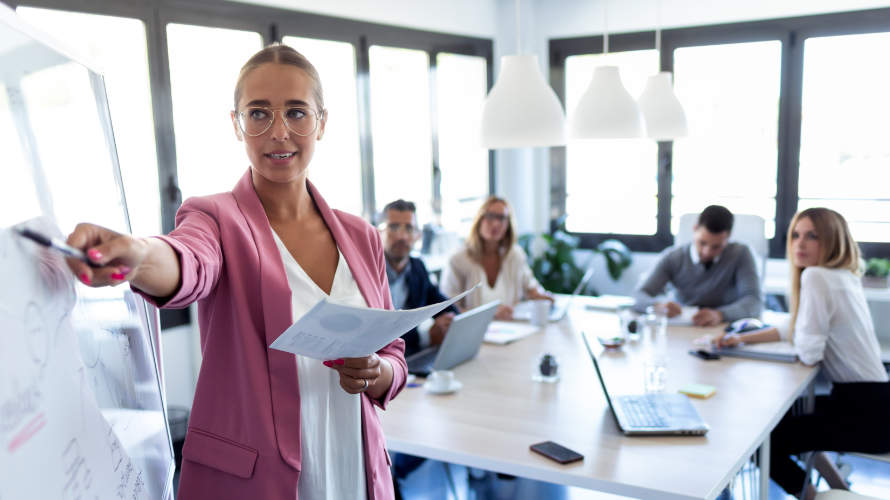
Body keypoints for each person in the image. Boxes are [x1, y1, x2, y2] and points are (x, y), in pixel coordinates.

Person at [64, 44, 406, 500]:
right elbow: (189, 263)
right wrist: (138, 255)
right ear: (237, 124)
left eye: (297, 113)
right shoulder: (215, 218)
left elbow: (393, 351)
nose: (278, 132)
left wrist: (378, 372)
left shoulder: (361, 235)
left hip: (354, 468)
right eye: (259, 113)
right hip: (258, 482)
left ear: (322, 122)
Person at [715, 208, 890, 499]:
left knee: (762, 443)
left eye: (812, 236)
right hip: (875, 403)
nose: (800, 244)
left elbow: (809, 353)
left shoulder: (817, 277)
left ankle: (813, 498)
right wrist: (741, 338)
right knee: (793, 418)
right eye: (795, 235)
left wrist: (759, 339)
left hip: (865, 413)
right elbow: (795, 327)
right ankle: (840, 489)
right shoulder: (843, 276)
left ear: (832, 240)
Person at [633, 205, 762, 326]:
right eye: (702, 243)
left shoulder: (741, 254)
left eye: (716, 247)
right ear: (695, 229)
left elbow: (754, 302)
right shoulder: (672, 257)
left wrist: (720, 314)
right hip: (681, 327)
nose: (707, 252)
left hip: (722, 328)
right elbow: (639, 295)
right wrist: (657, 306)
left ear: (727, 238)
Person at [441, 196, 551, 321]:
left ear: (508, 225)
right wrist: (489, 313)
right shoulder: (458, 260)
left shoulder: (515, 255)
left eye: (502, 218)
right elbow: (449, 309)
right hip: (474, 332)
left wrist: (543, 296)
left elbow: (530, 286)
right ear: (479, 219)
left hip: (512, 330)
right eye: (490, 216)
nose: (496, 223)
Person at [379, 199, 457, 357]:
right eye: (393, 227)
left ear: (417, 235)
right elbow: (379, 333)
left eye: (409, 228)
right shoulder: (367, 273)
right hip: (382, 363)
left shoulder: (417, 267)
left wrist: (452, 320)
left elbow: (440, 303)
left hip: (411, 358)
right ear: (378, 232)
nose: (402, 236)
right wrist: (426, 337)